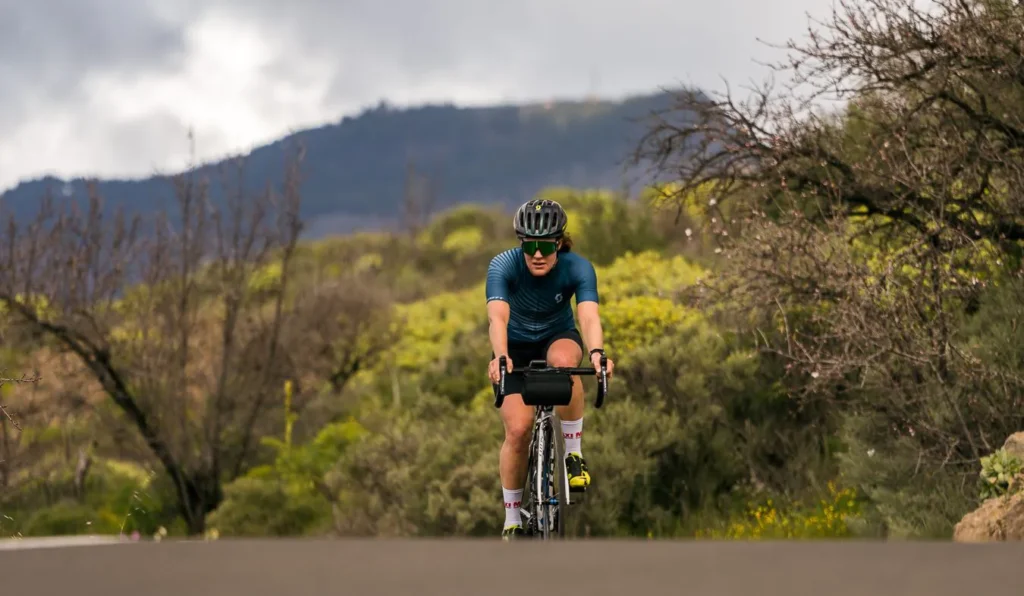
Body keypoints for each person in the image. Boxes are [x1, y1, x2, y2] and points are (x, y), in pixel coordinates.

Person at [484, 198, 615, 540]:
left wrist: (598, 353)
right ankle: (512, 518)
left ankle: (573, 455)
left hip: (558, 336)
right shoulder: (503, 266)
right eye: (530, 246)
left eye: (545, 245)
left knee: (565, 364)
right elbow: (497, 317)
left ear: (559, 242)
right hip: (515, 348)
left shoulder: (577, 267)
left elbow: (587, 315)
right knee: (518, 430)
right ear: (521, 244)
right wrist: (500, 356)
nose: (537, 254)